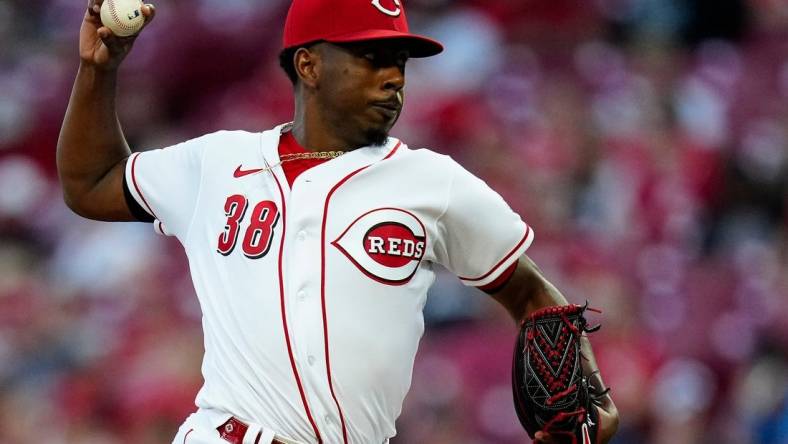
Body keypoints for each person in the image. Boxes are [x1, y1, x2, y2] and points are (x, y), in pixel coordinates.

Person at [57, 0, 619, 443]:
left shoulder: (433, 183)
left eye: (399, 60)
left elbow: (530, 292)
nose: (393, 77)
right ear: (309, 64)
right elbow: (91, 183)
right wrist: (97, 71)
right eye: (372, 57)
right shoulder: (217, 163)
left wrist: (590, 393)